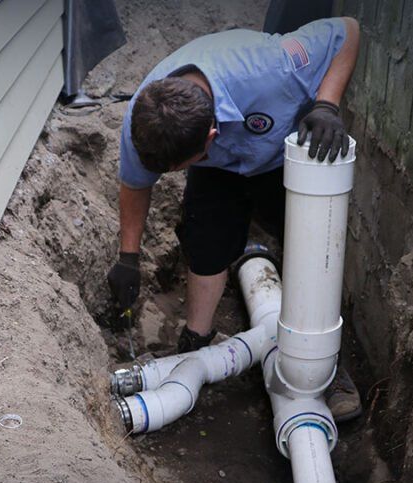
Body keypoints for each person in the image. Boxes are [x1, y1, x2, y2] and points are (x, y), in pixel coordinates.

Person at [106, 17, 363, 421]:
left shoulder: (275, 68)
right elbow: (136, 185)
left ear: (209, 138)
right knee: (205, 244)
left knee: (310, 252)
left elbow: (347, 30)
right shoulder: (147, 119)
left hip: (283, 157)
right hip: (221, 168)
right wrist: (128, 257)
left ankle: (326, 368)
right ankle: (197, 344)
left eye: (178, 169)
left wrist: (326, 104)